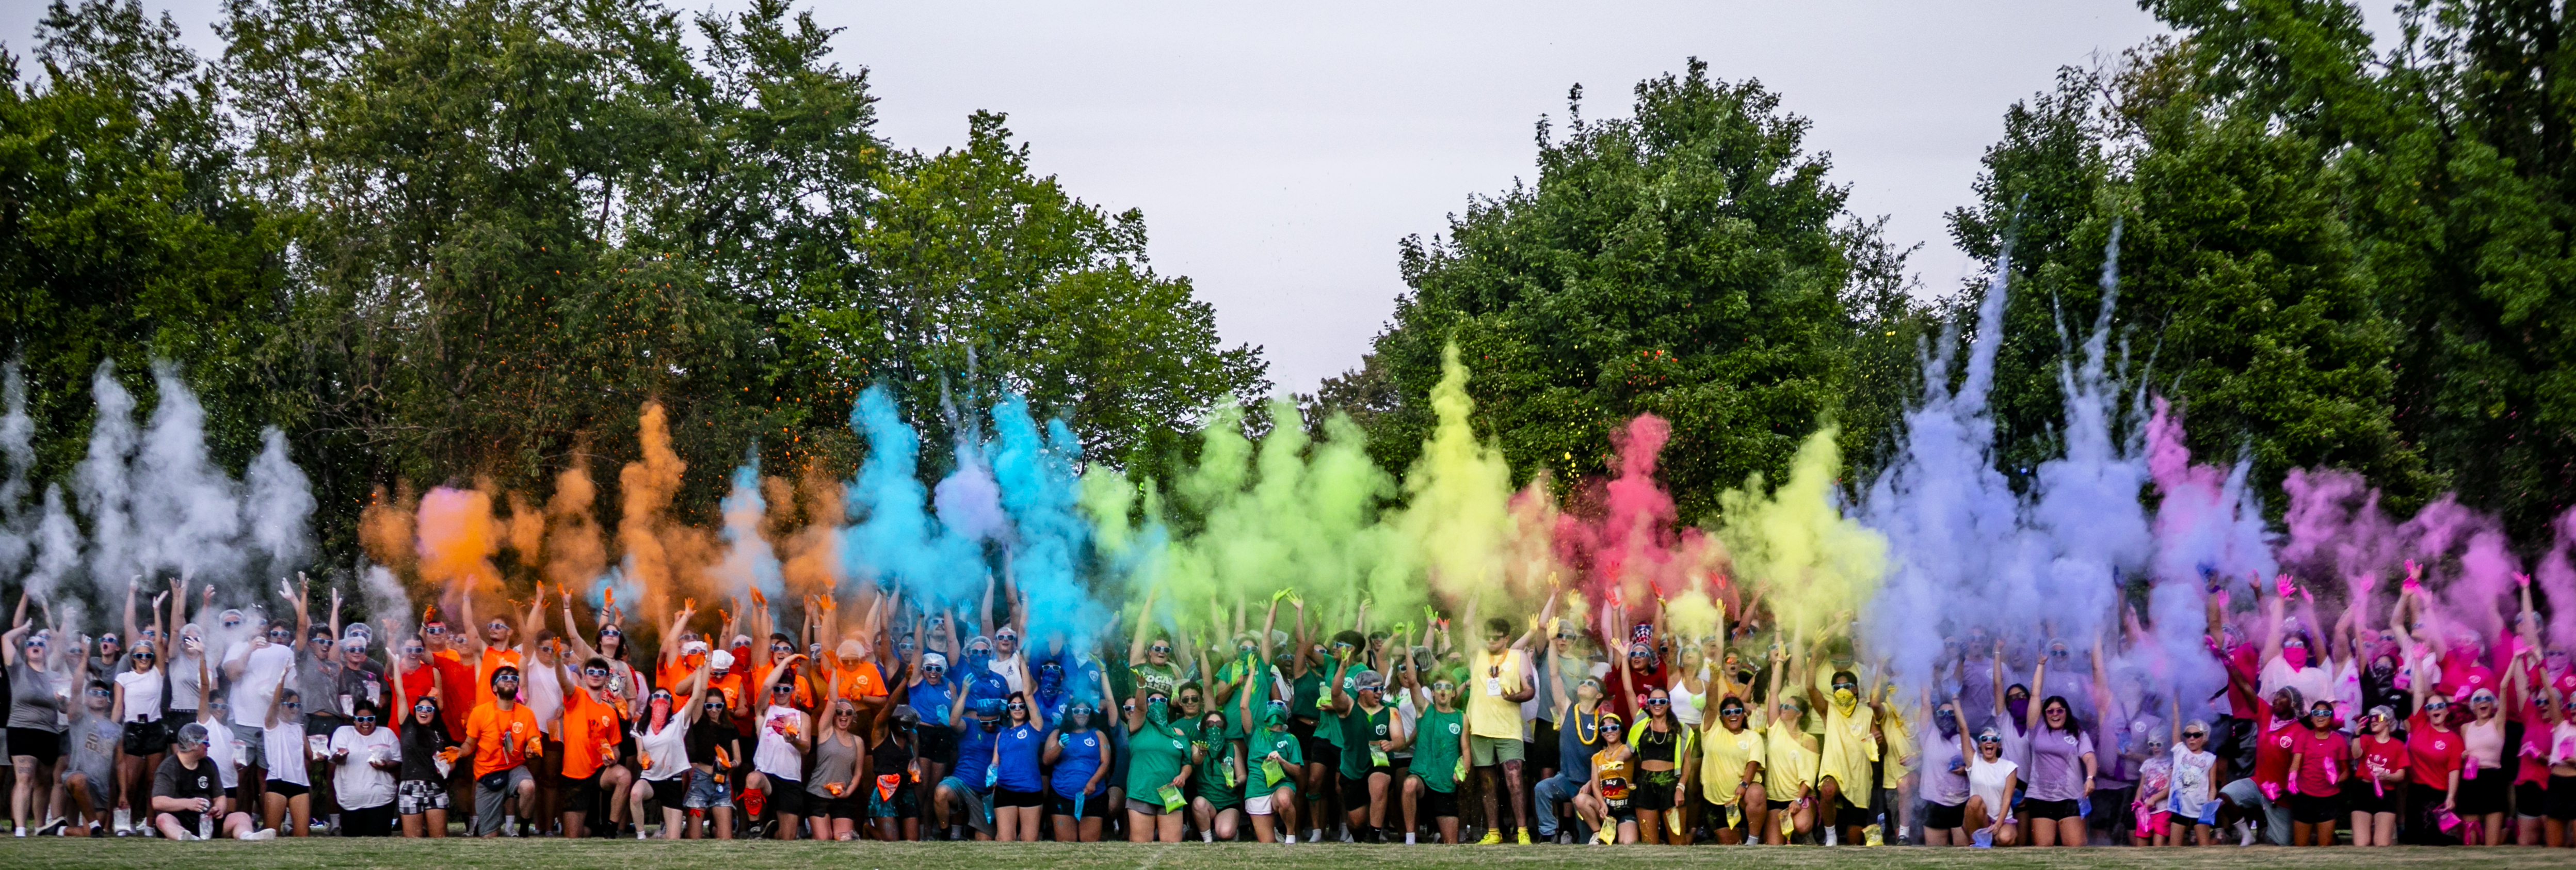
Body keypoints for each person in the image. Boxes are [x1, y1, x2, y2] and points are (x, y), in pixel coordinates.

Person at [1463, 590, 1554, 844]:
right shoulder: (1477, 654)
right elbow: (1467, 623)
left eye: (1496, 638)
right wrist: (1477, 590)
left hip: (1509, 730)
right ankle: (1494, 833)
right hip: (1481, 729)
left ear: (1507, 638)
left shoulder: (1518, 656)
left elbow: (1530, 691)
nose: (1491, 642)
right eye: (1488, 637)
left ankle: (1523, 831)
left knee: (1515, 780)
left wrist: (1512, 697)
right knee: (1487, 783)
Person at [8, 596, 68, 837]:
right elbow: (5, 639)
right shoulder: (18, 668)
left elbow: (64, 710)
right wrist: (24, 629)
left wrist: (62, 701)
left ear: (45, 651)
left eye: (40, 644)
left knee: (44, 782)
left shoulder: (53, 675)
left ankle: (40, 826)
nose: (35, 646)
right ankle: (21, 828)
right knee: (25, 778)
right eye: (31, 643)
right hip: (22, 729)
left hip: (49, 733)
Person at [1329, 666, 1406, 843]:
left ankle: (1374, 838)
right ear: (1362, 691)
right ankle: (1358, 836)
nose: (1380, 693)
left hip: (1379, 763)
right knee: (1356, 822)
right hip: (1353, 767)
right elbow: (1335, 693)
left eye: (1381, 689)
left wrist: (1392, 744)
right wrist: (1341, 667)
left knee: (1379, 783)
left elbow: (1400, 739)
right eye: (1375, 689)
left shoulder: (1390, 711)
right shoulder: (1349, 707)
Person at [463, 665, 542, 837]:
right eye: (504, 678)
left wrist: (533, 749)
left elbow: (534, 741)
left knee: (528, 786)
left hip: (515, 767)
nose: (510, 681)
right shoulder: (480, 712)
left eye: (514, 679)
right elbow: (469, 744)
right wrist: (459, 752)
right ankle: (485, 826)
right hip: (488, 772)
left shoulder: (527, 714)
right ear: (494, 688)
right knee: (490, 837)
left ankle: (523, 832)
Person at [150, 723, 265, 840]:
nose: (209, 745)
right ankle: (184, 836)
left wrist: (219, 808)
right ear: (192, 744)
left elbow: (220, 796)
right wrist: (188, 803)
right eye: (205, 742)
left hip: (206, 820)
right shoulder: (169, 767)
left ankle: (247, 836)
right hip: (179, 819)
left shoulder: (209, 764)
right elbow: (158, 802)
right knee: (163, 819)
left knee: (242, 816)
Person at [556, 655, 629, 840]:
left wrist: (613, 758)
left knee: (624, 776)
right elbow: (564, 681)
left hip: (600, 771)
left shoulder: (610, 712)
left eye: (600, 672)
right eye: (591, 672)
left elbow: (616, 748)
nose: (595, 675)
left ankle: (611, 829)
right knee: (573, 836)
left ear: (607, 678)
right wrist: (558, 661)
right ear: (584, 676)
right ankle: (594, 830)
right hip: (576, 773)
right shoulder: (576, 696)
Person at [388, 650, 458, 837]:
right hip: (410, 788)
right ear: (415, 710)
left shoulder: (441, 733)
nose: (424, 711)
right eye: (420, 708)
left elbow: (452, 762)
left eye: (429, 708)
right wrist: (396, 663)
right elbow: (400, 693)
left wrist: (447, 766)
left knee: (438, 841)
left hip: (436, 788)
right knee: (413, 844)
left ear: (434, 712)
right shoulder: (407, 723)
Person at [1533, 676, 1608, 843]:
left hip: (1587, 787)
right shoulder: (1567, 711)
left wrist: (1592, 782)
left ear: (1599, 696)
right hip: (1565, 780)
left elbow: (1607, 757)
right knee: (1542, 788)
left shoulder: (1602, 720)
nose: (1584, 684)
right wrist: (1552, 647)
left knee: (1586, 841)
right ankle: (1548, 834)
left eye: (1590, 684)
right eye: (1583, 682)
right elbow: (1553, 675)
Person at [745, 661, 813, 840]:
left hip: (790, 777)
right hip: (766, 773)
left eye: (785, 689)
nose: (781, 693)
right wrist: (785, 662)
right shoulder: (765, 710)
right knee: (752, 778)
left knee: (787, 838)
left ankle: (771, 832)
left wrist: (794, 741)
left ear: (793, 690)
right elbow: (766, 685)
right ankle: (754, 827)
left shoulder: (802, 716)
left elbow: (806, 748)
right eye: (778, 689)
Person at [1400, 671, 1467, 844]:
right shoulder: (1425, 710)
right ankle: (1410, 840)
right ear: (1432, 692)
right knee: (1409, 784)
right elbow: (1413, 682)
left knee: (1451, 844)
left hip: (1445, 785)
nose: (1443, 691)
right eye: (1439, 687)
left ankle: (1438, 834)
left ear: (1453, 693)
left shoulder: (1461, 718)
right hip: (1422, 779)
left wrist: (1461, 772)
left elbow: (1466, 752)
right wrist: (1408, 645)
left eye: (1447, 688)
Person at [2023, 692, 2096, 847]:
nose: (2055, 714)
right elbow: (2035, 696)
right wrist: (2041, 666)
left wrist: (2090, 778)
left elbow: (2090, 758)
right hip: (2041, 797)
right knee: (2043, 851)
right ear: (2044, 714)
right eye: (2050, 711)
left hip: (2071, 797)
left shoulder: (2078, 734)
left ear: (2067, 713)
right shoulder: (2037, 730)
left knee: (2076, 850)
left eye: (2060, 710)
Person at [683, 656, 743, 840]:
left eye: (718, 706)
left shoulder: (730, 727)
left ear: (723, 706)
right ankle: (689, 830)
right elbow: (700, 691)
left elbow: (738, 760)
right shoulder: (699, 721)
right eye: (709, 706)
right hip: (700, 779)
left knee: (726, 838)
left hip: (721, 781)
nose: (713, 710)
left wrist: (729, 764)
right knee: (695, 838)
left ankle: (716, 829)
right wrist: (706, 663)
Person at [1627, 685, 1696, 844]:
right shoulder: (1641, 723)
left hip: (1671, 784)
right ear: (1648, 704)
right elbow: (1629, 692)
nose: (1658, 704)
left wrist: (1681, 788)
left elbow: (1687, 765)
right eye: (1654, 701)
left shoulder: (1681, 729)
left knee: (1678, 843)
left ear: (1669, 704)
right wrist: (1624, 659)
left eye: (1662, 701)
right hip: (1645, 783)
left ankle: (1690, 837)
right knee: (1649, 843)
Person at [1124, 688, 1191, 843]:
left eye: (1162, 701)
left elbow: (1187, 763)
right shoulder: (1138, 726)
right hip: (1142, 790)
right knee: (1142, 845)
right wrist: (1141, 687)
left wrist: (1183, 776)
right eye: (1152, 701)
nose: (1157, 704)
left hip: (1171, 792)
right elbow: (1140, 708)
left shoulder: (1178, 734)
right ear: (1147, 706)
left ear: (1168, 708)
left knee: (1172, 847)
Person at [327, 699, 401, 836]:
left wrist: (385, 766)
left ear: (376, 719)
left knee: (378, 841)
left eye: (370, 719)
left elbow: (397, 761)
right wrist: (341, 756)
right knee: (352, 840)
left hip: (381, 799)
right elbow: (336, 759)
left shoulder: (387, 734)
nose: (366, 723)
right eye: (360, 719)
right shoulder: (343, 732)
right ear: (354, 720)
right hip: (350, 800)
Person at [259, 681, 321, 837]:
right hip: (277, 782)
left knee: (302, 835)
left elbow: (310, 755)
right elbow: (274, 702)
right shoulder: (272, 724)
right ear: (281, 705)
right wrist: (282, 677)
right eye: (291, 705)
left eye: (298, 706)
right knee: (272, 834)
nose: (295, 709)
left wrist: (321, 755)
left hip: (299, 783)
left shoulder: (298, 728)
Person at [936, 695, 1003, 841]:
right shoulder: (970, 725)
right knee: (941, 792)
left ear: (999, 717)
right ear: (978, 717)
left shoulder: (1003, 733)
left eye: (994, 721)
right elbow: (953, 722)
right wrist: (965, 692)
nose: (990, 725)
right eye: (985, 722)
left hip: (986, 794)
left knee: (984, 842)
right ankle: (945, 836)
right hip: (962, 783)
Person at [1043, 698, 1110, 842]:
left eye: (1085, 711)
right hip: (1062, 795)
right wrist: (1060, 746)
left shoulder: (1098, 735)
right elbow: (1046, 760)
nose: (1081, 714)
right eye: (1077, 711)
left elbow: (1105, 763)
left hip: (1094, 796)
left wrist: (1093, 782)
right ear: (1070, 713)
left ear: (1090, 714)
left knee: (1089, 845)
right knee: (1066, 845)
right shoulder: (1057, 734)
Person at [2285, 698, 2346, 846]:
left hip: (2329, 798)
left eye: (2325, 713)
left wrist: (2335, 779)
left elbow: (2346, 772)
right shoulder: (2303, 736)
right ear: (2311, 718)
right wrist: (2292, 778)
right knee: (2300, 845)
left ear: (2332, 718)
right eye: (2316, 713)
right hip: (2304, 795)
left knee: (2324, 846)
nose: (2321, 716)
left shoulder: (2340, 740)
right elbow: (2295, 764)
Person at [1242, 698, 1302, 843]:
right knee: (1267, 843)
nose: (1275, 709)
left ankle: (1291, 836)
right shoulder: (1255, 732)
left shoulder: (1291, 739)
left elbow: (1297, 772)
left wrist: (1281, 761)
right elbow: (1244, 707)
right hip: (1257, 789)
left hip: (1281, 784)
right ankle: (1274, 834)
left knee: (1284, 800)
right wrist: (1251, 674)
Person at [989, 691, 1048, 841]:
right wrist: (991, 779)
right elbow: (995, 763)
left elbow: (1028, 694)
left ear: (1027, 708)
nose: (1017, 708)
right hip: (1004, 789)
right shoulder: (1001, 735)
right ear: (1008, 709)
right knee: (1005, 840)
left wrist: (1023, 666)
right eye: (1013, 705)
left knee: (1029, 842)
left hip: (1030, 789)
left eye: (1022, 705)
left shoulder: (1034, 727)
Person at [807, 698, 867, 841]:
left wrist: (848, 793)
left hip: (843, 796)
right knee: (824, 838)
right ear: (833, 715)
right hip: (818, 794)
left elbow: (858, 773)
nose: (843, 715)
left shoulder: (857, 741)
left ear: (853, 717)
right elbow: (832, 700)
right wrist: (834, 673)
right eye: (839, 712)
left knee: (844, 839)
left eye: (848, 712)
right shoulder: (825, 732)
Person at [2348, 704, 2407, 846]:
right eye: (2371, 718)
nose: (2373, 721)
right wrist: (2357, 734)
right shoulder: (2366, 739)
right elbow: (2356, 755)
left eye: (2378, 717)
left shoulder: (2398, 745)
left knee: (2382, 843)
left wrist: (2387, 776)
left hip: (2386, 793)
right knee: (2362, 843)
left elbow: (2401, 775)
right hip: (2364, 791)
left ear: (2388, 721)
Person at [2458, 686, 2509, 845]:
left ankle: (2507, 831)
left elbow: (2503, 688)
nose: (2483, 702)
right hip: (2471, 779)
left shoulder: (2498, 722)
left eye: (2488, 699)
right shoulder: (2465, 728)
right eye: (2478, 699)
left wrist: (2515, 660)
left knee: (2491, 844)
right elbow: (2461, 754)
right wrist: (2463, 756)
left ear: (2494, 705)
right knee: (2470, 842)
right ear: (2473, 706)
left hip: (2493, 778)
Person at [1573, 711, 1635, 843]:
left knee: (1628, 843)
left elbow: (1624, 755)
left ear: (1621, 730)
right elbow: (1596, 785)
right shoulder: (1597, 757)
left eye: (1614, 728)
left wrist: (1618, 760)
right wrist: (1602, 805)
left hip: (1625, 807)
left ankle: (1614, 833)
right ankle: (1597, 833)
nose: (1609, 731)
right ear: (1601, 733)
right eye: (1605, 729)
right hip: (1606, 807)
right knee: (1580, 799)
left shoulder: (1627, 749)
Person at [1959, 720, 2020, 847]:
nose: (1989, 742)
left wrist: (1998, 824)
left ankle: (1988, 839)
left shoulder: (2009, 767)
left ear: (1999, 745)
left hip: (2003, 820)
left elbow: (2007, 799)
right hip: (1979, 818)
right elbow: (1964, 729)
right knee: (1975, 800)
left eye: (1994, 739)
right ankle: (1975, 843)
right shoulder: (1974, 761)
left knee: (2006, 838)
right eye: (1984, 738)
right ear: (1980, 744)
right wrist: (1954, 699)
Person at [867, 705, 921, 841]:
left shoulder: (912, 735)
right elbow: (889, 705)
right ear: (894, 722)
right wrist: (905, 682)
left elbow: (915, 764)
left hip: (906, 789)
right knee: (892, 842)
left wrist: (917, 775)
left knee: (912, 842)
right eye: (904, 726)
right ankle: (868, 828)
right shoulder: (882, 734)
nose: (906, 729)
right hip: (886, 788)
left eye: (910, 726)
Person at [1914, 699, 1963, 845]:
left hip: (1960, 803)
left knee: (1965, 858)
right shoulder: (1929, 735)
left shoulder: (1966, 738)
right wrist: (1924, 676)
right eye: (1942, 713)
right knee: (1935, 857)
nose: (1946, 716)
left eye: (1951, 713)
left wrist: (1966, 771)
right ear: (1936, 716)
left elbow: (1977, 768)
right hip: (1933, 804)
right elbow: (1925, 705)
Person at [2168, 710, 2220, 847]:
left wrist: (2210, 805)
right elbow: (2176, 722)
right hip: (2179, 807)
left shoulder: (2210, 758)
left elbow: (2212, 786)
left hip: (2200, 808)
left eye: (2196, 735)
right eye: (2188, 735)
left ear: (2205, 738)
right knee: (2173, 850)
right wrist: (2176, 699)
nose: (2192, 738)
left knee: (2204, 848)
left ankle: (2219, 841)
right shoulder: (2180, 751)